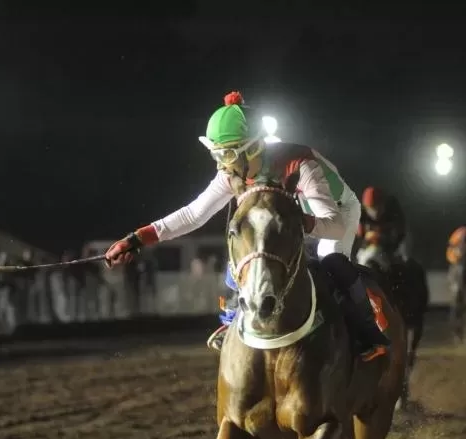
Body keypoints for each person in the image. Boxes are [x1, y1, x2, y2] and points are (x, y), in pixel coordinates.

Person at [105, 91, 389, 360]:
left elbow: (336, 227)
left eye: (227, 155)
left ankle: (367, 331)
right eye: (217, 155)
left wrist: (298, 222)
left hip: (336, 212)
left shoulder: (300, 165)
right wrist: (137, 239)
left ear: (253, 148)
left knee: (332, 260)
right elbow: (194, 215)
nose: (222, 166)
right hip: (295, 216)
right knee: (247, 250)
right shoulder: (233, 172)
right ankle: (231, 320)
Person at [358, 186, 409, 265]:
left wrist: (393, 247)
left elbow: (401, 234)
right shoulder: (361, 216)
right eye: (371, 209)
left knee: (405, 255)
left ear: (384, 204)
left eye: (378, 208)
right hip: (371, 245)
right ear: (365, 207)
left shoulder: (393, 211)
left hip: (392, 242)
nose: (375, 213)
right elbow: (360, 238)